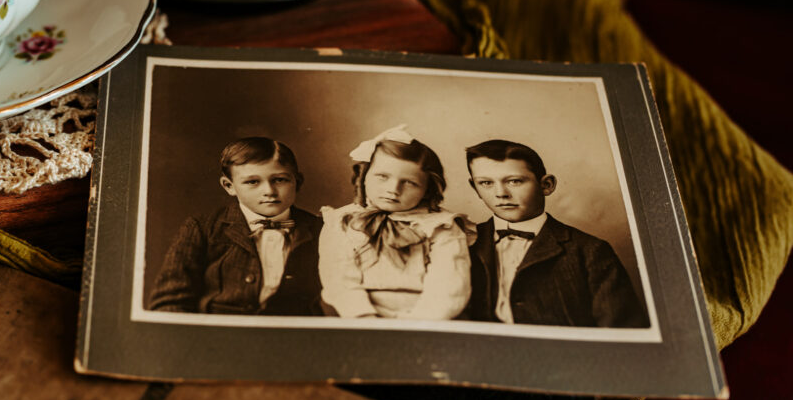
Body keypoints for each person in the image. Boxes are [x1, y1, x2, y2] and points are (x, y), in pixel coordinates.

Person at [464, 139, 649, 327]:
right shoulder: (463, 240)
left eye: (514, 181)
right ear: (475, 188)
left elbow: (621, 330)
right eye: (486, 183)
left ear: (547, 185)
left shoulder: (590, 250)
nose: (501, 193)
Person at [148, 137, 321, 315]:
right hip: (217, 336)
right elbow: (169, 303)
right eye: (253, 182)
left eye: (280, 180)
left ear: (298, 182)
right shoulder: (202, 228)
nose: (269, 191)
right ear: (229, 186)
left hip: (293, 337)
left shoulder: (320, 229)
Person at [319, 125, 472, 319]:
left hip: (425, 318)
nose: (393, 189)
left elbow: (450, 284)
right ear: (363, 176)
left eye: (409, 182)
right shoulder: (342, 220)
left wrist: (417, 325)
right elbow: (338, 278)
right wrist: (363, 319)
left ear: (428, 189)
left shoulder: (442, 225)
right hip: (356, 316)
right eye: (382, 177)